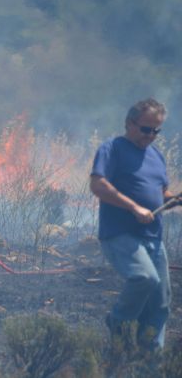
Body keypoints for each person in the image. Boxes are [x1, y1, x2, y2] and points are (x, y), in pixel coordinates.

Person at [90, 98, 181, 350]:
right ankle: (118, 321)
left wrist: (173, 200)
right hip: (121, 234)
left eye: (156, 130)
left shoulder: (156, 156)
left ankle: (148, 358)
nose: (150, 136)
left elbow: (160, 194)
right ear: (129, 124)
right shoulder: (112, 149)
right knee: (144, 278)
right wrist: (133, 207)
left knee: (161, 302)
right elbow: (98, 185)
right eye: (145, 129)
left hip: (153, 236)